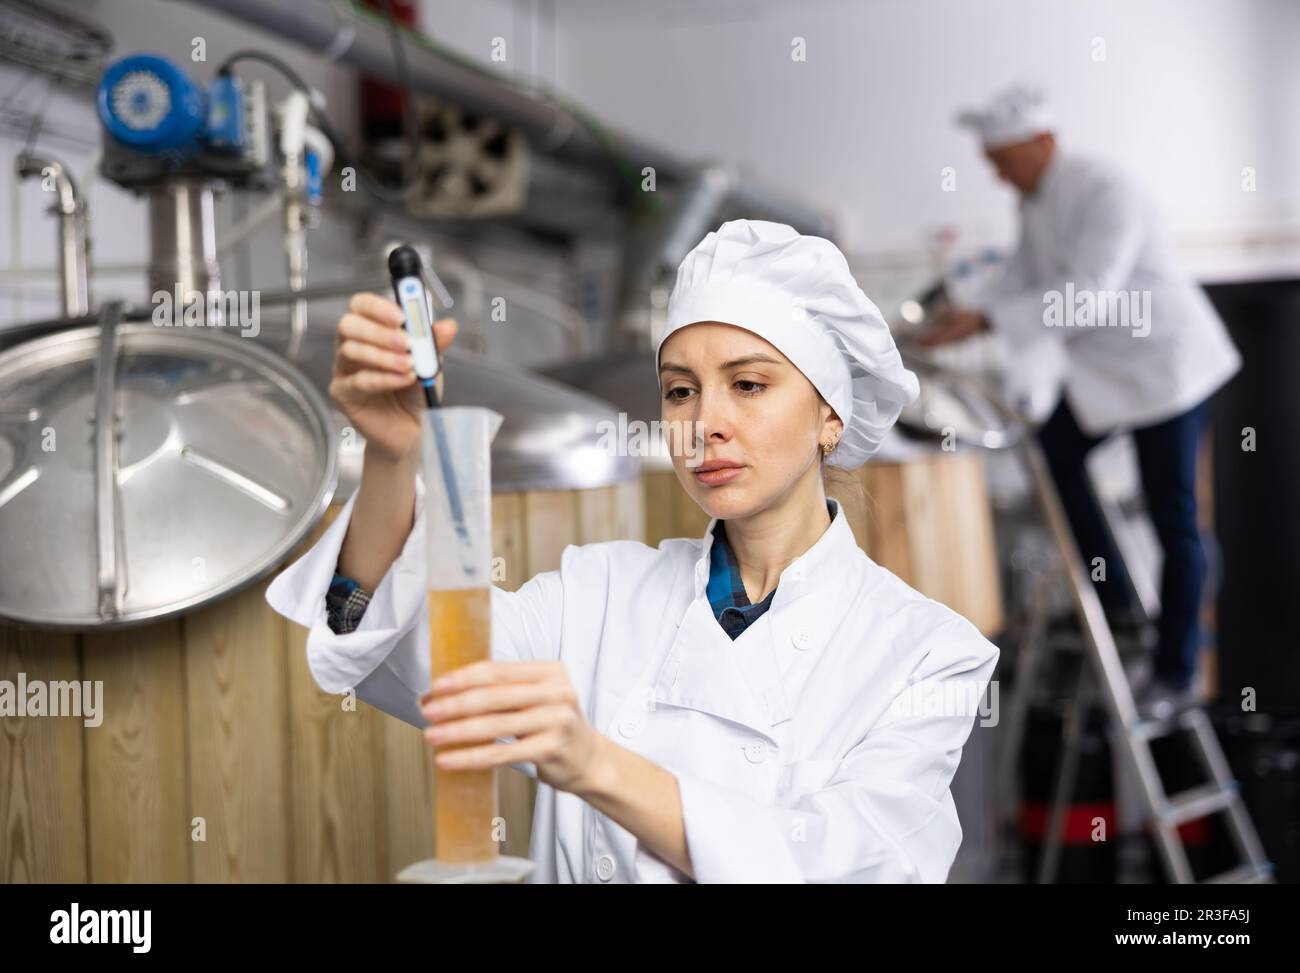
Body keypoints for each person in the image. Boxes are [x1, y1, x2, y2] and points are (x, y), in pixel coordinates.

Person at [266, 219, 1000, 883]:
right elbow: (397, 645)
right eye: (680, 391)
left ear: (830, 417)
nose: (704, 422)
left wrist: (594, 762)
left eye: (747, 384)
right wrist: (396, 456)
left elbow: (854, 865)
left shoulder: (925, 653)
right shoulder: (600, 591)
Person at [922, 83, 1242, 722]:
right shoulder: (1036, 201)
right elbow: (1024, 275)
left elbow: (1086, 295)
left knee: (1172, 517)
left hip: (1167, 371)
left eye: (1003, 158)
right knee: (1055, 454)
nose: (996, 172)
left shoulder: (1104, 191)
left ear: (1043, 142)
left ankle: (1177, 671)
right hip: (1108, 376)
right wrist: (967, 313)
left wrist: (988, 322)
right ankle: (1117, 600)